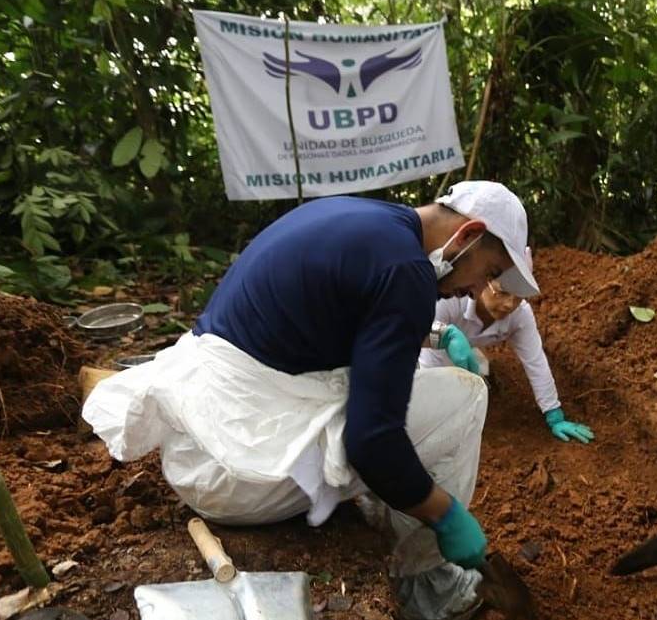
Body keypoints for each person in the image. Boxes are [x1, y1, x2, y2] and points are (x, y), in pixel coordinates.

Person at [82, 181, 539, 620]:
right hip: (239, 478)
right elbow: (372, 443)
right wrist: (446, 515)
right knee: (465, 394)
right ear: (470, 235)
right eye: (491, 272)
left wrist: (434, 332)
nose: (477, 290)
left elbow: (346, 318)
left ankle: (385, 509)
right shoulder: (407, 272)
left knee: (372, 388)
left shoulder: (362, 219)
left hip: (200, 445)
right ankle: (428, 588)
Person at [418, 257, 594, 444]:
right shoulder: (449, 300)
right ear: (482, 280)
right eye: (502, 292)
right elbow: (427, 355)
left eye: (519, 296)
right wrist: (436, 415)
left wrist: (554, 413)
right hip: (425, 345)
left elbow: (535, 361)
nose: (509, 304)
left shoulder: (519, 315)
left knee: (474, 372)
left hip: (468, 344)